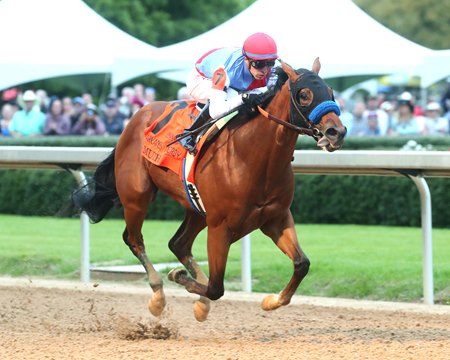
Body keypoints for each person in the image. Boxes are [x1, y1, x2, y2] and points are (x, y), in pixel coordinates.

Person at [180, 32, 279, 152]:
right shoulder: (223, 71)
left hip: (233, 84)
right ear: (246, 59)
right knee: (232, 95)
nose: (264, 71)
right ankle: (189, 134)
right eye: (258, 64)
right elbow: (216, 111)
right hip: (200, 80)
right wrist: (243, 98)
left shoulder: (268, 70)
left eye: (270, 63)